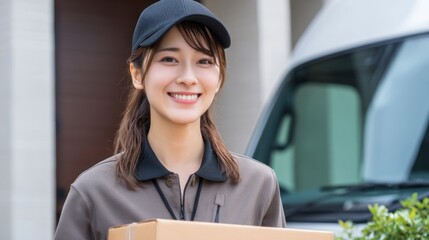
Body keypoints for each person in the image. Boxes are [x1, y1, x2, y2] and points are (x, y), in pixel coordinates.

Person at [54, 0, 286, 239]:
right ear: (138, 74)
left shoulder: (258, 185)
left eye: (204, 61)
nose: (187, 77)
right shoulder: (94, 192)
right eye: (169, 59)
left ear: (219, 78)